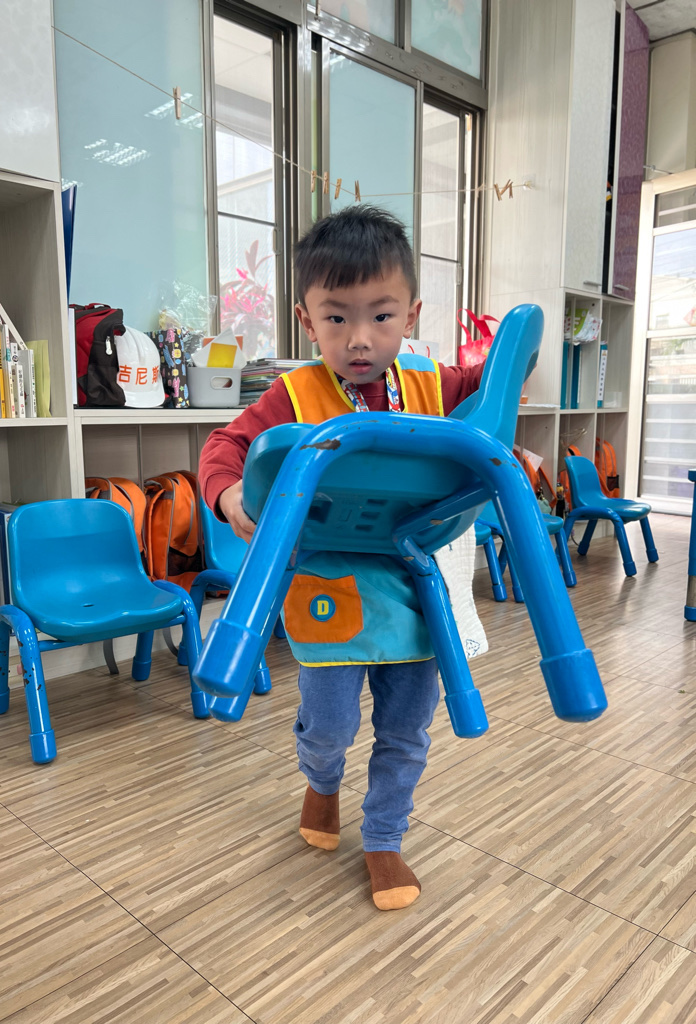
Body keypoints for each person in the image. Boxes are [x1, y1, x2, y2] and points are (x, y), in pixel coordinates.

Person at [198, 205, 484, 911]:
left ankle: (384, 837)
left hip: (416, 582)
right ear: (306, 319)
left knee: (406, 729)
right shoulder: (293, 394)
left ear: (411, 313)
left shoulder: (431, 383)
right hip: (328, 581)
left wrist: (509, 367)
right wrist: (229, 495)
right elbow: (223, 446)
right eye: (336, 317)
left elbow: (487, 395)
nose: (360, 338)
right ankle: (321, 782)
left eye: (381, 316)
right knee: (330, 726)